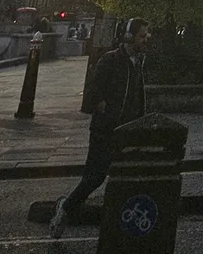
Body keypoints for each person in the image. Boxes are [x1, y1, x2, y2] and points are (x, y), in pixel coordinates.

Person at [49, 17, 149, 240]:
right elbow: (94, 90)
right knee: (94, 178)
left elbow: (137, 95)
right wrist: (101, 105)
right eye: (142, 36)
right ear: (129, 36)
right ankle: (64, 209)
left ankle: (121, 226)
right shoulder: (110, 60)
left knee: (127, 179)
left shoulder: (138, 63)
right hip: (105, 131)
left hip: (128, 132)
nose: (146, 40)